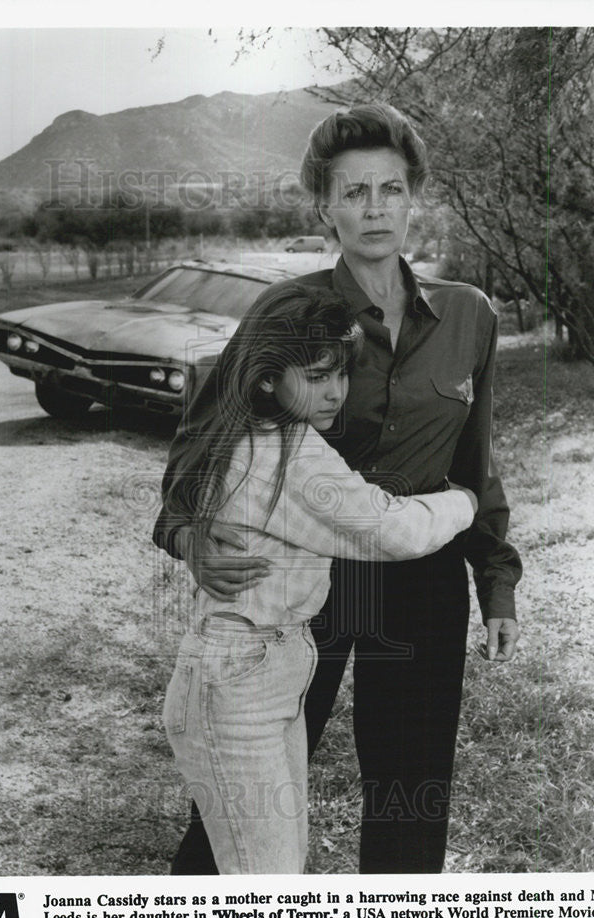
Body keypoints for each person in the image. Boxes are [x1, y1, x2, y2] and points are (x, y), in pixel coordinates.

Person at [154, 101, 522, 874]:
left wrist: (496, 581)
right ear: (324, 204)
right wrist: (189, 538)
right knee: (242, 796)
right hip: (300, 584)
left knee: (410, 794)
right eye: (354, 192)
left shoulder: (468, 316)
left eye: (390, 189)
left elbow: (474, 466)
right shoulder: (288, 312)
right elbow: (202, 442)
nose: (375, 209)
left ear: (413, 195)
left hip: (419, 577)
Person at [160, 284, 478, 874]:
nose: (336, 391)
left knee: (272, 868)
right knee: (265, 881)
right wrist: (462, 502)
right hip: (239, 681)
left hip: (264, 671)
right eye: (314, 375)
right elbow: (392, 531)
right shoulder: (284, 457)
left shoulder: (272, 433)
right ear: (265, 378)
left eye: (340, 373)